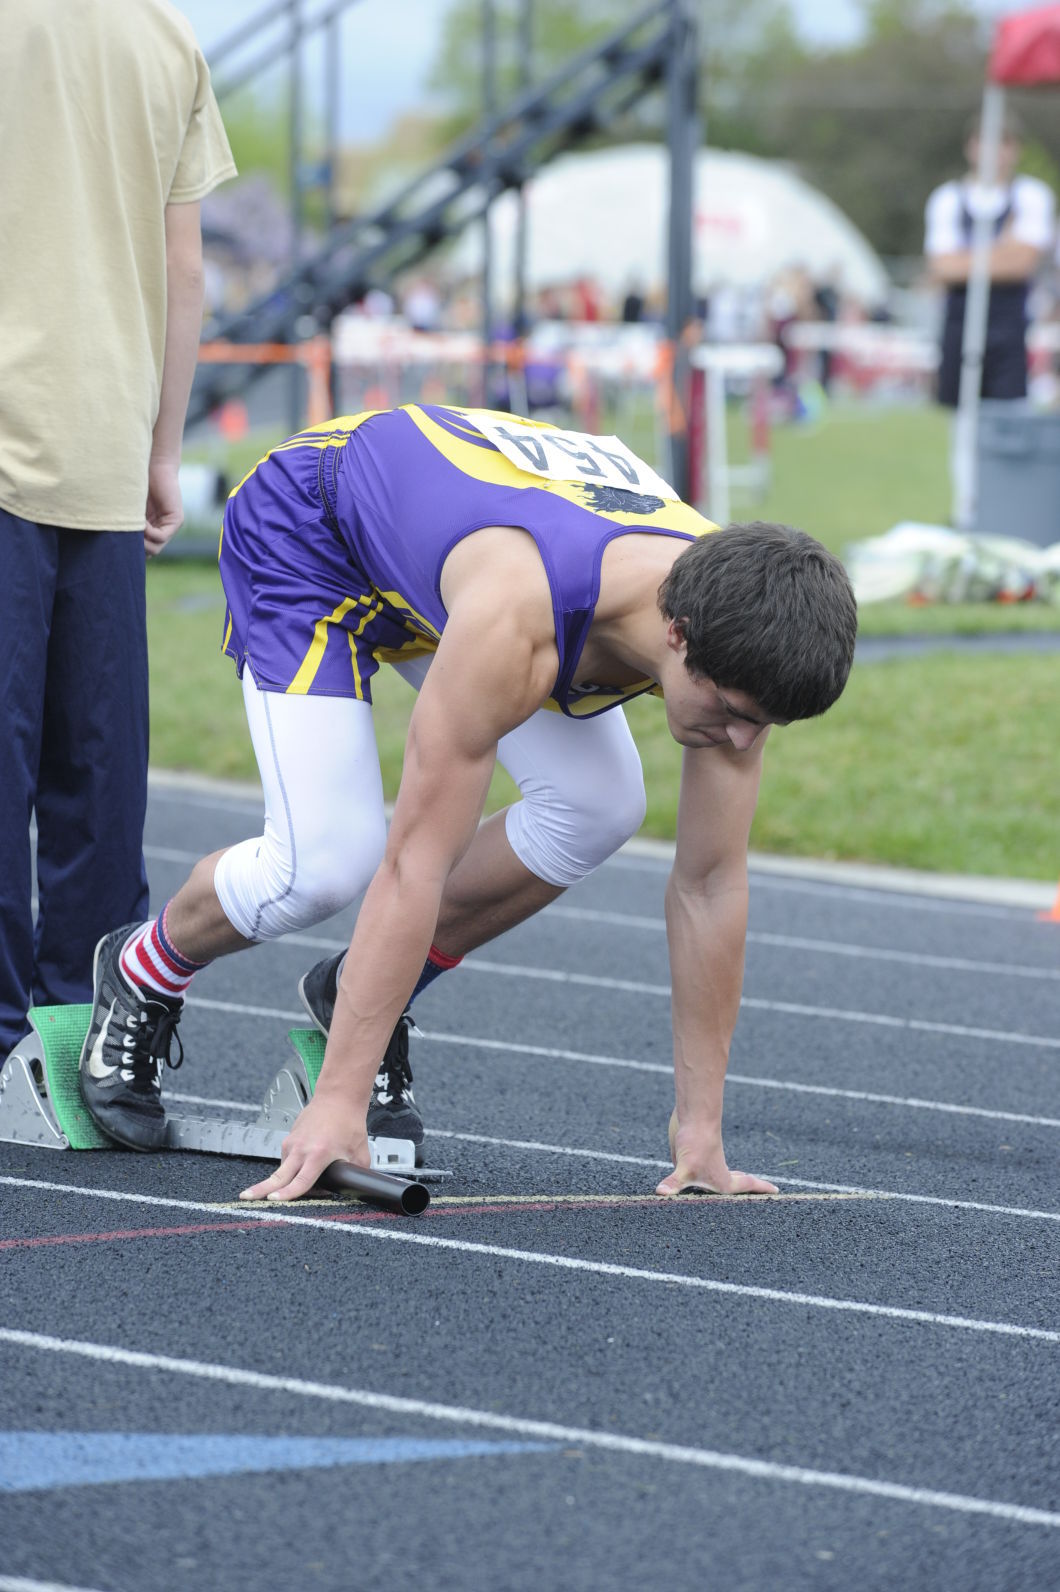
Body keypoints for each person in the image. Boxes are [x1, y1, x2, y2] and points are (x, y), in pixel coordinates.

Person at [76, 403, 857, 1203]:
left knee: (601, 804)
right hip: (314, 534)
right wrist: (337, 1105)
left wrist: (701, 1137)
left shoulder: (745, 633)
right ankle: (144, 968)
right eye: (728, 710)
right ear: (679, 632)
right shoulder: (519, 619)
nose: (737, 741)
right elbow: (417, 861)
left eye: (759, 725)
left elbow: (710, 886)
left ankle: (361, 993)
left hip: (458, 549)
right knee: (324, 864)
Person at [0, 0, 236, 1059]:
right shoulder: (168, 37)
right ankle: (88, 1033)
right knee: (98, 770)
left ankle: (5, 1041)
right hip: (104, 434)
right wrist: (160, 448)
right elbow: (185, 270)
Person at [924, 111, 1055, 407]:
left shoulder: (1032, 196)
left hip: (1009, 325)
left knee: (1006, 416)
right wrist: (1002, 248)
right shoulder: (947, 199)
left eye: (1003, 143)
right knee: (956, 413)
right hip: (958, 323)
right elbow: (942, 268)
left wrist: (965, 259)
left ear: (1015, 150)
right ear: (971, 146)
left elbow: (1022, 264)